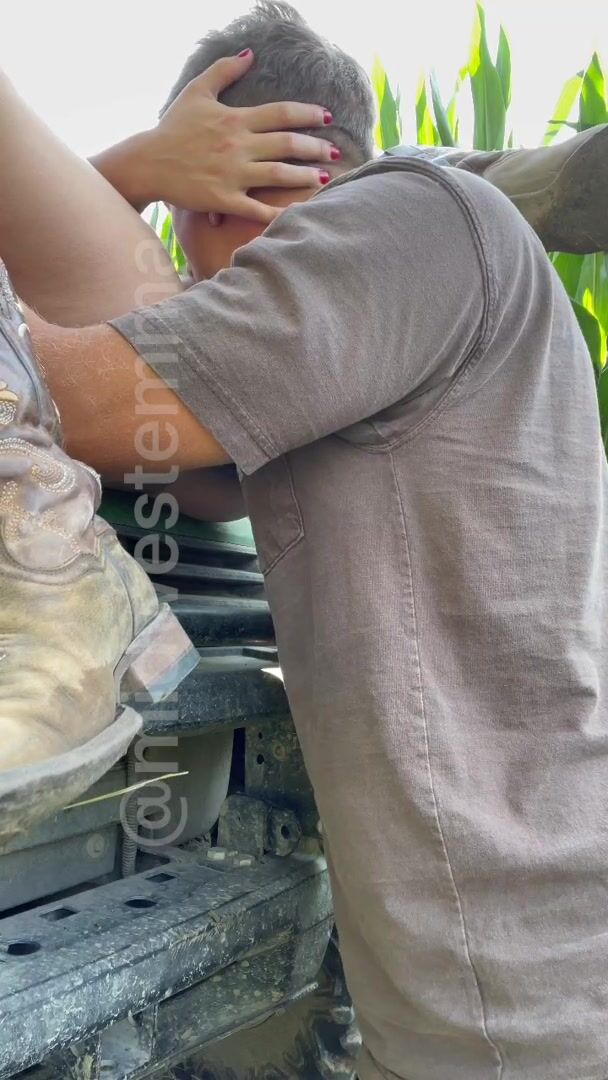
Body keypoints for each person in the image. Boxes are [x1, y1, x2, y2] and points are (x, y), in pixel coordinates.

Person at [2, 3, 608, 1077]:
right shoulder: (405, 290)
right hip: (492, 978)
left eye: (182, 232)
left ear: (230, 180)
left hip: (517, 1004)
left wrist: (137, 167)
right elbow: (190, 482)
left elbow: (79, 398)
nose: (187, 279)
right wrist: (140, 167)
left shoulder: (413, 221)